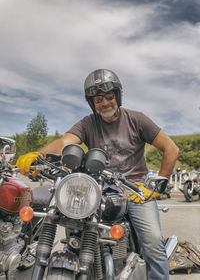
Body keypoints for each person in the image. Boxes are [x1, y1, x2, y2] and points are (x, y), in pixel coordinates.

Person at [17, 69, 179, 280]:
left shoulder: (137, 119)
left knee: (153, 240)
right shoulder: (87, 123)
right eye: (98, 99)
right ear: (92, 103)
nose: (104, 103)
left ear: (117, 97)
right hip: (101, 187)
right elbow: (65, 142)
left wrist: (155, 189)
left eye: (109, 97)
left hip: (135, 189)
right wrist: (39, 154)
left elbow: (171, 149)